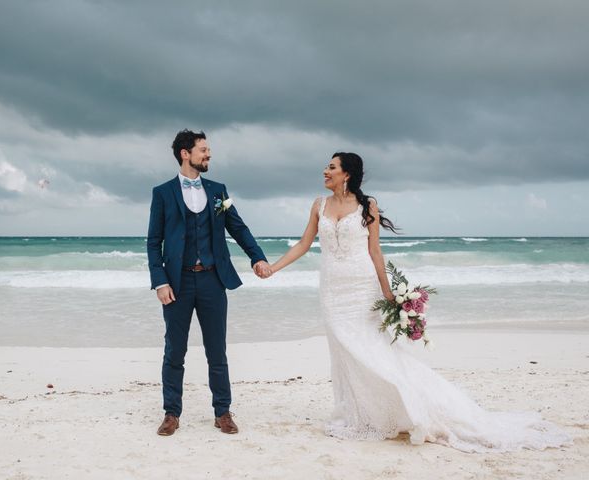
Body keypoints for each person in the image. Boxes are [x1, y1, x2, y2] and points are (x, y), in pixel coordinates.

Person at [269, 152, 572, 452]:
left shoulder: (366, 206)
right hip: (332, 289)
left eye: (331, 167)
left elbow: (375, 252)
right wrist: (272, 268)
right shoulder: (318, 205)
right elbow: (303, 244)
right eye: (327, 166)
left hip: (362, 288)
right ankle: (358, 412)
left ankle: (404, 403)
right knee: (343, 349)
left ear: (346, 174)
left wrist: (387, 293)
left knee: (370, 348)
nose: (325, 170)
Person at [147, 129, 272, 437]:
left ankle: (223, 412)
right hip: (177, 282)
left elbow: (238, 227)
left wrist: (257, 257)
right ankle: (171, 413)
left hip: (213, 280)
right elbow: (153, 242)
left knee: (217, 350)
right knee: (174, 350)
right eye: (203, 150)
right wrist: (160, 281)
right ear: (185, 154)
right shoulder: (162, 193)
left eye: (208, 150)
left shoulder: (218, 191)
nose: (209, 155)